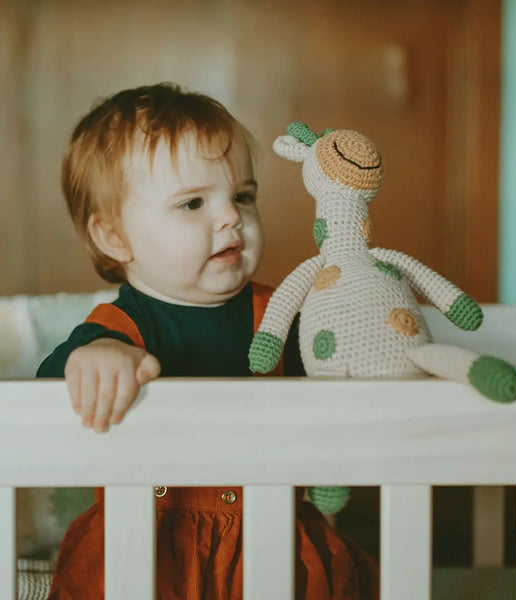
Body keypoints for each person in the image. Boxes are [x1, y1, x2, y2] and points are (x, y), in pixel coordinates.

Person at [38, 83, 378, 599]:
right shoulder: (118, 328)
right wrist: (96, 358)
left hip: (274, 546)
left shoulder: (284, 311)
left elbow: (345, 380)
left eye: (243, 196)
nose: (230, 217)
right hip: (148, 549)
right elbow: (46, 392)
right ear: (114, 237)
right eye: (193, 202)